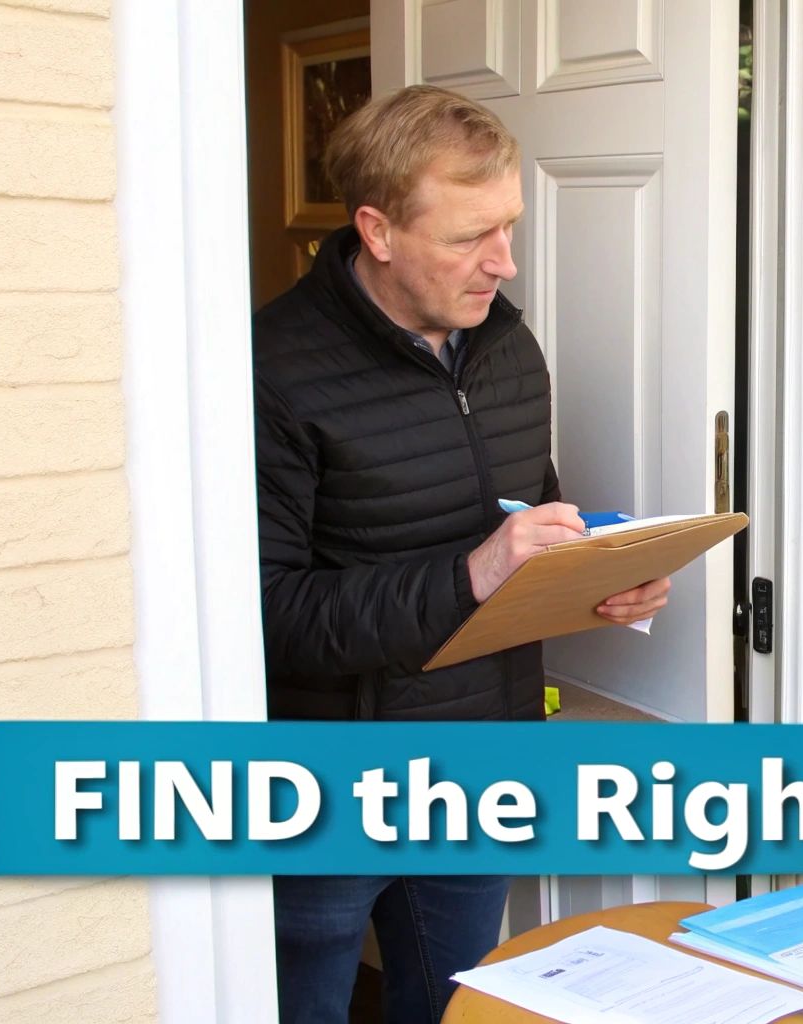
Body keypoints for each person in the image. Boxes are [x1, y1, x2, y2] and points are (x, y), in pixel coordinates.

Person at [253, 85, 670, 1024]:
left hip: (484, 757)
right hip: (327, 782)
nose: (505, 262)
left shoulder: (505, 342)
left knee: (456, 1007)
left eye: (509, 226)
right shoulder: (271, 369)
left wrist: (605, 575)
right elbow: (268, 615)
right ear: (377, 231)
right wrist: (472, 574)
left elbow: (529, 516)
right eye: (470, 235)